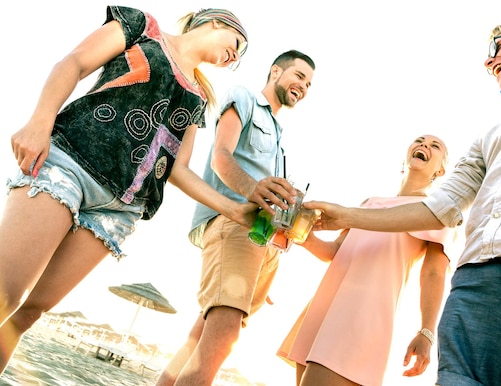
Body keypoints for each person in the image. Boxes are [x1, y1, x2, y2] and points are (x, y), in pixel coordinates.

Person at [306, 18, 501, 385]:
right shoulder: (490, 132)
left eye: (496, 49)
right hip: (476, 280)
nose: (489, 63)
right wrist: (345, 215)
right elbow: (437, 209)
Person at [0, 5, 258, 373]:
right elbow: (73, 63)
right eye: (238, 43)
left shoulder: (199, 97)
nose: (236, 55)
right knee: (4, 296)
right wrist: (39, 122)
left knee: (26, 316)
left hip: (118, 210)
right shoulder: (142, 27)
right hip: (70, 162)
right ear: (215, 23)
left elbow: (178, 169)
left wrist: (233, 209)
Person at [156, 49, 316, 385]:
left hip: (263, 242)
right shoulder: (242, 97)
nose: (304, 85)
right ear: (275, 71)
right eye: (299, 76)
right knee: (223, 336)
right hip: (234, 224)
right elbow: (221, 156)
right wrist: (253, 188)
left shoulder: (280, 138)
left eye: (309, 84)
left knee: (202, 337)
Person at [277, 135, 454, 386]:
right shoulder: (369, 203)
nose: (424, 145)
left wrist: (426, 332)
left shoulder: (434, 211)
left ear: (441, 170)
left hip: (363, 314)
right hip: (326, 305)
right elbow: (334, 251)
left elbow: (434, 274)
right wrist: (298, 232)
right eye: (420, 140)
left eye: (435, 146)